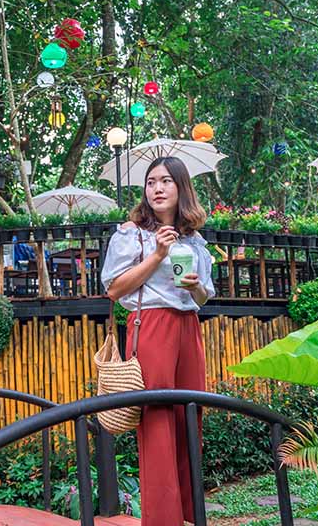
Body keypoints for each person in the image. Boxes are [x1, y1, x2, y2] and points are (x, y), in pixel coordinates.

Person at [100, 156, 215, 526]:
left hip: (188, 328)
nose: (157, 188)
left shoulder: (194, 240)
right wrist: (158, 254)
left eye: (166, 181)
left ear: (181, 188)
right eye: (151, 182)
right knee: (157, 419)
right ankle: (162, 519)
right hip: (151, 324)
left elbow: (204, 297)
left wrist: (195, 286)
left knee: (189, 414)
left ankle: (190, 514)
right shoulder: (132, 233)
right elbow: (115, 289)